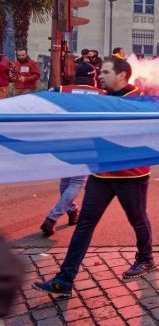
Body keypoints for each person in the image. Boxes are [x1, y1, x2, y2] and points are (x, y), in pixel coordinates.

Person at [33, 57, 155, 298]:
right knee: (85, 224)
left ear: (122, 75)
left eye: (106, 72)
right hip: (101, 172)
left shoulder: (140, 100)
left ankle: (146, 259)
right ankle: (65, 278)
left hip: (131, 174)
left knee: (138, 219)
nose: (100, 76)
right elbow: (70, 95)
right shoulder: (102, 97)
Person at [39, 85, 107, 236]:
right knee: (76, 183)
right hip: (87, 143)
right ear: (93, 77)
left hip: (64, 141)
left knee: (65, 183)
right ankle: (53, 218)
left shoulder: (62, 89)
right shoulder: (102, 94)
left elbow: (43, 100)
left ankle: (72, 211)